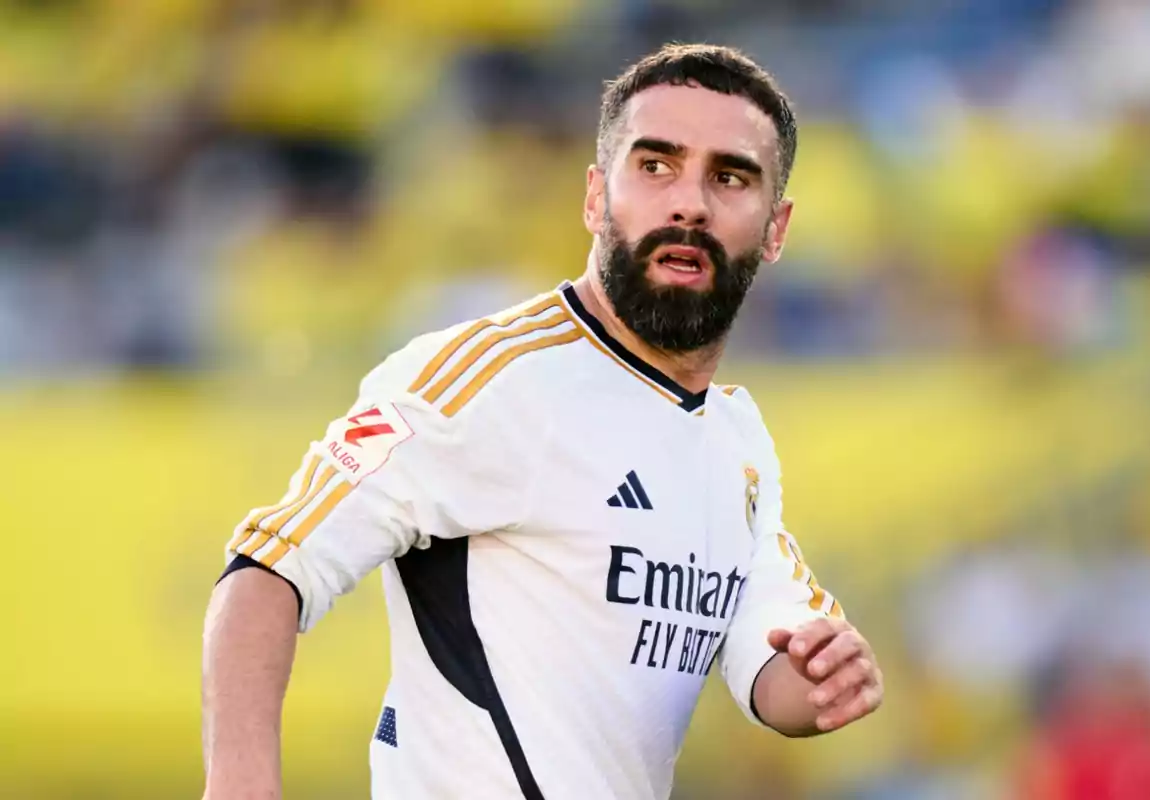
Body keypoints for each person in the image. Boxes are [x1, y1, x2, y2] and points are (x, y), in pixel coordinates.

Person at [201, 43, 884, 800]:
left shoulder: (737, 444)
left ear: (776, 228)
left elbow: (774, 669)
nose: (688, 202)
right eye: (654, 166)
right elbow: (268, 572)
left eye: (728, 177)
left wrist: (825, 677)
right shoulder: (485, 379)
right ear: (595, 197)